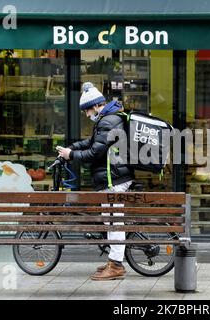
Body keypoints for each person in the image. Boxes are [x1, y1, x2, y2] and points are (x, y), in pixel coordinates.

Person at [56, 82, 134, 281]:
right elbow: (92, 142)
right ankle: (113, 261)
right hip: (114, 176)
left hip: (114, 177)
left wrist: (72, 154)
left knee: (114, 220)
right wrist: (71, 148)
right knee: (110, 219)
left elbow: (95, 152)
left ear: (94, 106)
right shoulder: (108, 119)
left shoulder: (108, 121)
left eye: (86, 110)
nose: (85, 114)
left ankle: (116, 265)